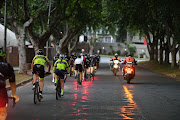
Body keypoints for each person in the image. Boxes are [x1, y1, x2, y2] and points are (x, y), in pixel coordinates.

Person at [0, 50, 19, 120]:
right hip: (1, 89)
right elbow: (12, 83)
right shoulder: (7, 66)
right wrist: (13, 94)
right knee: (2, 111)